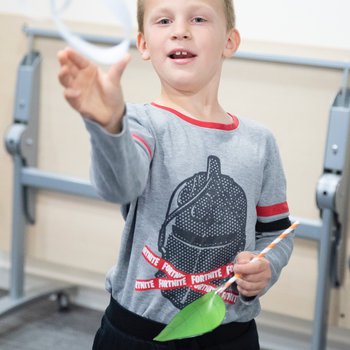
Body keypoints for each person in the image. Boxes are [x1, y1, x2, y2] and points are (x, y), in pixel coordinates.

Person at [57, 0, 294, 349]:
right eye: (164, 20)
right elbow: (118, 185)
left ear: (229, 41)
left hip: (231, 336)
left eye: (198, 18)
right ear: (144, 44)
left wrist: (266, 264)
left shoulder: (259, 142)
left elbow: (277, 233)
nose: (180, 30)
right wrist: (108, 127)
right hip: (137, 334)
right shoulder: (140, 124)